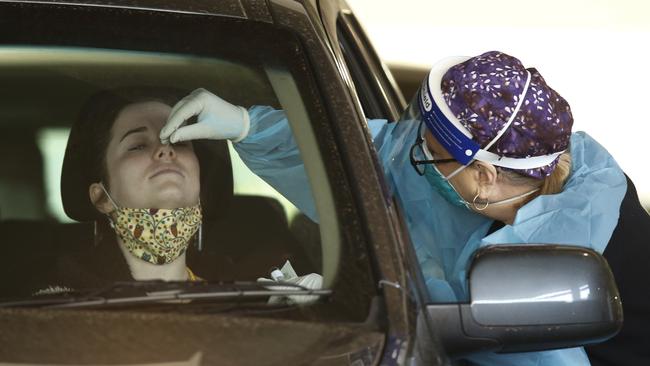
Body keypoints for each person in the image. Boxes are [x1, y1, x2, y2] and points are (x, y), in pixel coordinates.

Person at [159, 51, 648, 365]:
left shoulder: (590, 244)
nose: (414, 154)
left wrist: (352, 303)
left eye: (429, 150)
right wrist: (249, 125)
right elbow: (371, 151)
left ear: (485, 175)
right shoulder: (474, 177)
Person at [58, 86, 233, 288]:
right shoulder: (58, 308)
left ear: (201, 185)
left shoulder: (249, 301)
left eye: (179, 142)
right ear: (101, 198)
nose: (165, 150)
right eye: (138, 145)